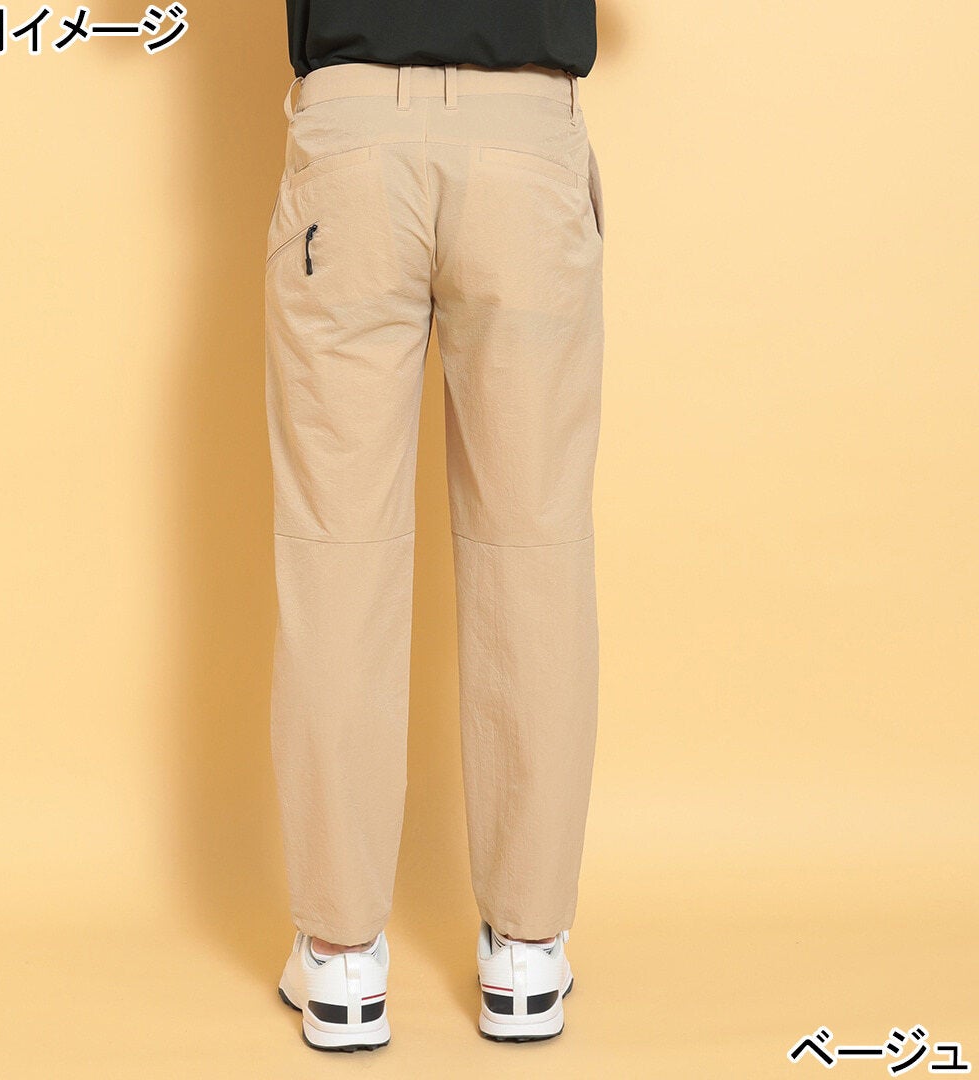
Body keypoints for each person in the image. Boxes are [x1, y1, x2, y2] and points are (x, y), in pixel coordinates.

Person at [266, 0, 604, 1052]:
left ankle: (340, 958)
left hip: (352, 139)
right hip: (526, 142)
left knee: (337, 554)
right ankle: (527, 951)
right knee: (534, 547)